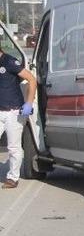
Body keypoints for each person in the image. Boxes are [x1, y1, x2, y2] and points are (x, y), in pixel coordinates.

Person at [0, 47, 37, 189]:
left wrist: (28, 103)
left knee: (13, 147)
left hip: (13, 112)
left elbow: (31, 79)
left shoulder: (9, 61)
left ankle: (13, 178)